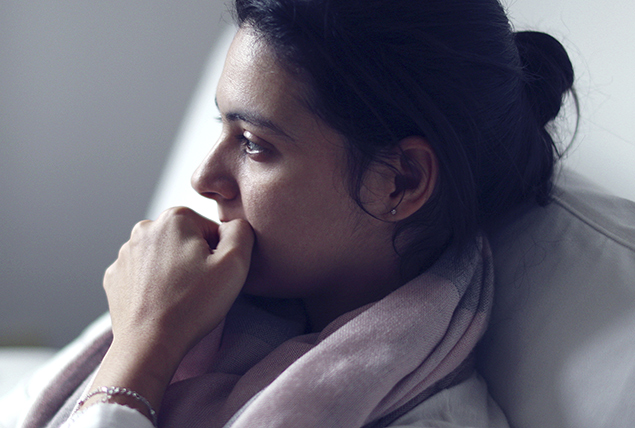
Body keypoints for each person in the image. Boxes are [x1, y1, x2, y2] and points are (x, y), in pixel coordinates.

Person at [9, 0, 575, 426]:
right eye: (220, 126)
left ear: (399, 181)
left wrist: (142, 350)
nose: (203, 178)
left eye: (254, 143)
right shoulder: (206, 306)